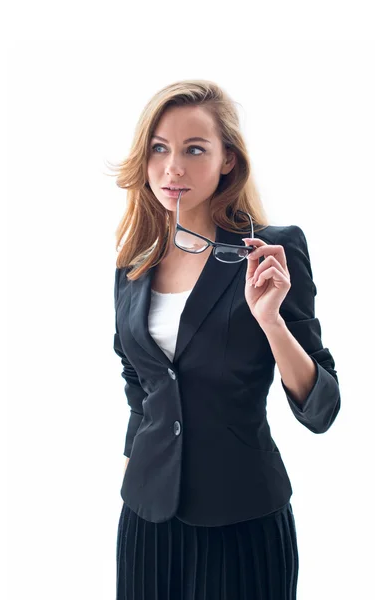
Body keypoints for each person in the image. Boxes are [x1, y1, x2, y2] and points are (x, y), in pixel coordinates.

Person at [110, 80, 341, 599]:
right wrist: (133, 457)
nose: (174, 168)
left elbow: (322, 407)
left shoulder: (273, 252)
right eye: (159, 149)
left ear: (228, 160)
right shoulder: (133, 263)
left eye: (195, 150)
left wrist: (272, 322)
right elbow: (138, 379)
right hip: (147, 519)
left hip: (242, 518)